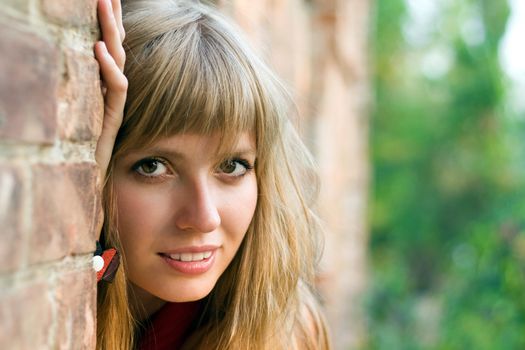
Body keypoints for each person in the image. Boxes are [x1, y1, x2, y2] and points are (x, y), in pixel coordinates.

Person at [94, 0, 330, 348]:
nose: (204, 217)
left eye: (232, 166)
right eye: (153, 166)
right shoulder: (57, 303)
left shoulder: (288, 334)